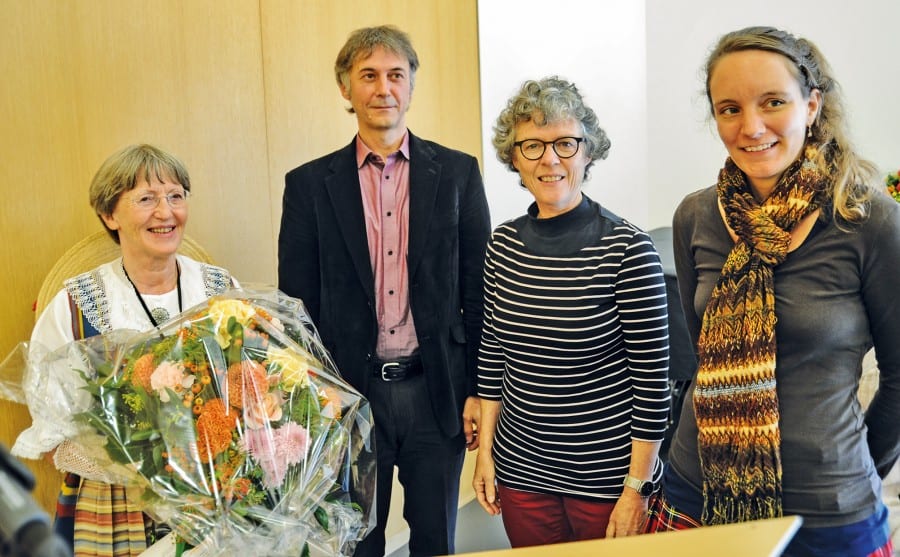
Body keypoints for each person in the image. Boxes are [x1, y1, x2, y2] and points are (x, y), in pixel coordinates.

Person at [653, 26, 900, 557]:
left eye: (773, 102)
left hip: (828, 510)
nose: (752, 126)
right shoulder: (694, 216)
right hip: (698, 494)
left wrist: (856, 464)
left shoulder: (870, 221)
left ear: (811, 106)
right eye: (729, 108)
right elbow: (703, 353)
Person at [277, 25, 491, 557]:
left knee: (436, 539)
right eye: (368, 76)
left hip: (435, 392)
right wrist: (314, 402)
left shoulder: (459, 174)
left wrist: (476, 390)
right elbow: (295, 305)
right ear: (346, 89)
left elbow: (478, 292)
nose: (383, 88)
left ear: (412, 86)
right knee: (357, 542)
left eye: (396, 75)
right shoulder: (308, 186)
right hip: (351, 397)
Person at [471, 76, 671, 548]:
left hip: (606, 478)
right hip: (521, 471)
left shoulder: (627, 249)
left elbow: (652, 383)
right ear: (514, 158)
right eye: (532, 146)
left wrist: (636, 488)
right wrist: (485, 456)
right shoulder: (503, 244)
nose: (550, 159)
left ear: (587, 151)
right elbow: (492, 356)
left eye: (565, 143)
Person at [13, 144, 237, 556]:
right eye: (146, 199)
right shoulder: (76, 303)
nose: (165, 213)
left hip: (212, 493)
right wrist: (137, 465)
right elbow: (52, 422)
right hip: (114, 504)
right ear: (109, 215)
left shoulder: (220, 289)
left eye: (175, 196)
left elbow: (250, 384)